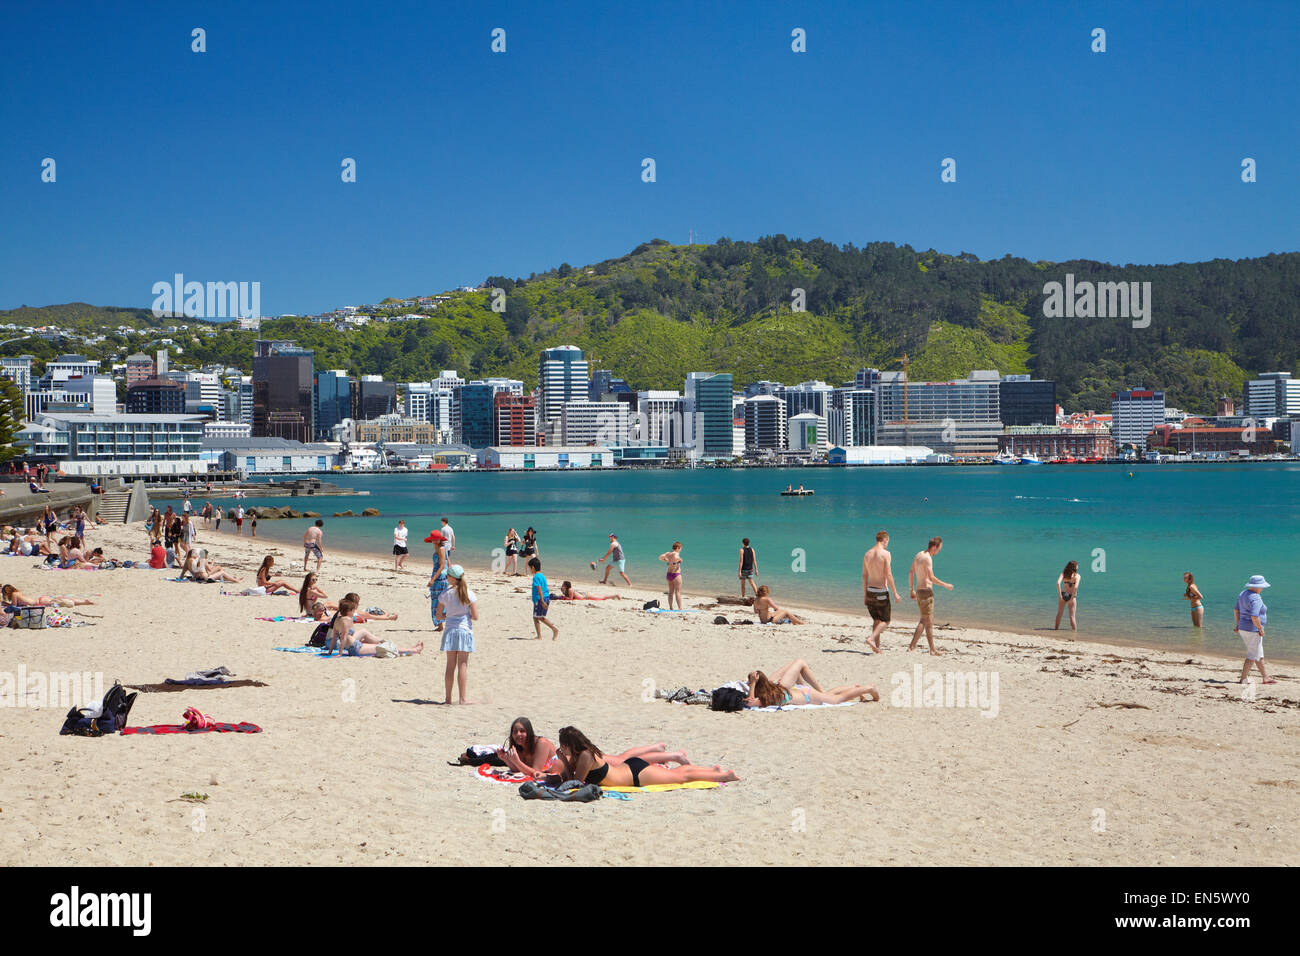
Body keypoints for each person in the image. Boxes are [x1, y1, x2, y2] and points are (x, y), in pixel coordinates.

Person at [498, 718, 692, 780]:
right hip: (584, 762)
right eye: (515, 732)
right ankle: (657, 747)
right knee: (623, 757)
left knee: (623, 759)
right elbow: (520, 770)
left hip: (592, 763)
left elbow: (535, 772)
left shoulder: (539, 744)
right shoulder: (521, 748)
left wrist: (514, 762)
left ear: (529, 732)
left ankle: (674, 755)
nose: (518, 735)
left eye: (522, 731)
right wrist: (508, 761)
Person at [552, 727, 739, 787]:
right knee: (678, 773)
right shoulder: (584, 753)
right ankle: (712, 770)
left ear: (568, 744)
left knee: (680, 776)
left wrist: (563, 761)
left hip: (634, 775)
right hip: (629, 770)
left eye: (563, 746)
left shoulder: (585, 756)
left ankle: (724, 776)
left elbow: (575, 782)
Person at [324, 596, 423, 657]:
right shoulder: (347, 620)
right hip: (355, 648)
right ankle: (413, 650)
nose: (355, 611)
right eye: (353, 609)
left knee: (380, 646)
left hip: (354, 646)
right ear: (349, 610)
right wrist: (340, 653)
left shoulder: (337, 620)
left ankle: (411, 649)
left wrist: (330, 652)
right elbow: (343, 638)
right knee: (382, 647)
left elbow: (336, 639)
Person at [908, 536, 954, 656]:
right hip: (926, 593)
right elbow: (931, 577)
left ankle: (932, 649)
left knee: (928, 622)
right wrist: (946, 585)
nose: (939, 551)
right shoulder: (928, 558)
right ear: (934, 547)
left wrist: (911, 589)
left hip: (919, 591)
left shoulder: (919, 555)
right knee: (924, 620)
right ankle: (912, 646)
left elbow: (911, 572)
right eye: (939, 549)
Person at [438, 565, 477, 704]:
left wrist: (448, 614)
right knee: (463, 665)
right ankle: (462, 698)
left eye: (447, 575)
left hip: (450, 631)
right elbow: (475, 616)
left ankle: (448, 699)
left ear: (452, 578)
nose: (446, 578)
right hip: (464, 631)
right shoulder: (469, 594)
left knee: (450, 665)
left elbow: (438, 616)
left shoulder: (444, 594)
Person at [745, 669, 879, 707]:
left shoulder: (766, 697)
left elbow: (751, 702)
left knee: (838, 699)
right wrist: (755, 682)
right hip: (804, 693)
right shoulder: (772, 689)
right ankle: (853, 687)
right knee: (830, 696)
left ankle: (869, 688)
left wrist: (753, 683)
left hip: (808, 696)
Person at [862, 530, 901, 652]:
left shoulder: (867, 554)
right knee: (885, 620)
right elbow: (888, 574)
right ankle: (871, 638)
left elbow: (864, 576)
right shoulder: (885, 554)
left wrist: (865, 594)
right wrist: (895, 593)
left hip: (870, 591)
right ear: (885, 540)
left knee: (876, 620)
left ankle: (876, 648)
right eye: (888, 541)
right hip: (881, 592)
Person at [1234, 574, 1276, 685]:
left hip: (1243, 628)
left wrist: (1237, 625)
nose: (1262, 588)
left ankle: (1265, 677)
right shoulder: (1256, 597)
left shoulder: (1242, 594)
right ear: (1258, 586)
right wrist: (1260, 628)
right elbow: (1254, 616)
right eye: (1262, 586)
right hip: (1252, 629)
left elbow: (1236, 610)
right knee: (1252, 654)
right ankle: (1243, 678)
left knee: (1258, 653)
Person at [530, 557, 559, 640]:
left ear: (533, 567)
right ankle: (539, 635)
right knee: (538, 617)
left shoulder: (536, 577)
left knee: (538, 617)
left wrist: (542, 601)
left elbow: (539, 589)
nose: (530, 570)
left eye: (530, 568)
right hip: (546, 598)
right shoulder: (542, 575)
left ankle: (553, 629)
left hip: (540, 600)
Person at [425, 529, 449, 630]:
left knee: (438, 601)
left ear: (440, 539)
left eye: (437, 539)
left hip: (440, 578)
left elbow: (443, 565)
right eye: (433, 539)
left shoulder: (441, 549)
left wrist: (433, 580)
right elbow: (448, 562)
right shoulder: (438, 548)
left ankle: (441, 625)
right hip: (438, 576)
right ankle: (440, 625)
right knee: (438, 601)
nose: (435, 541)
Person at [1, 584, 93, 608]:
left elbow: (14, 606)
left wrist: (5, 603)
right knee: (62, 600)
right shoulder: (18, 592)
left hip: (39, 602)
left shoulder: (14, 594)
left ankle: (84, 602)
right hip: (40, 599)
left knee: (63, 602)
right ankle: (84, 601)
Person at [1055, 560, 1081, 632]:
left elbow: (1058, 583)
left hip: (1063, 594)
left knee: (1059, 613)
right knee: (1072, 616)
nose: (1078, 566)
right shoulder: (1077, 576)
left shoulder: (1064, 574)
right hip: (1071, 596)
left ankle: (1056, 630)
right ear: (1075, 567)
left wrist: (1060, 595)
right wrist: (1072, 598)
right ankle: (1074, 632)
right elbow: (1075, 587)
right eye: (1077, 565)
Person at [658, 541, 683, 609]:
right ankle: (680, 608)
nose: (680, 550)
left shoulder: (668, 553)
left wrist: (666, 560)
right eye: (680, 549)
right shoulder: (676, 554)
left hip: (669, 574)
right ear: (678, 548)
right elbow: (676, 556)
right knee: (678, 592)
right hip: (676, 575)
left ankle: (671, 607)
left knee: (671, 592)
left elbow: (660, 557)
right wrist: (679, 559)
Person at [557, 581, 624, 600]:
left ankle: (615, 595)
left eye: (563, 585)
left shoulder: (570, 590)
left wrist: (564, 598)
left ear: (565, 586)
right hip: (584, 596)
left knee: (602, 598)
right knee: (601, 597)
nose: (562, 585)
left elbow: (570, 599)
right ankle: (613, 597)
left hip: (586, 596)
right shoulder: (566, 590)